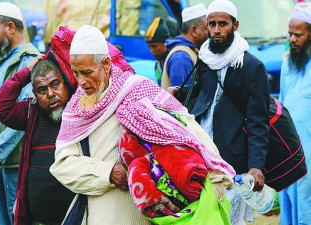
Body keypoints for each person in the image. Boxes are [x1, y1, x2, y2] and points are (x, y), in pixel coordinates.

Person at [50, 25, 235, 225]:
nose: (81, 81)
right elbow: (63, 164)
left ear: (105, 64)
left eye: (87, 72)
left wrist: (216, 182)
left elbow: (189, 132)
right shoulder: (75, 109)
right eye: (76, 73)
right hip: (101, 215)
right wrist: (108, 173)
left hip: (145, 217)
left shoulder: (139, 90)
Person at [175, 0, 270, 224]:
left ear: (235, 26)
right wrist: (178, 93)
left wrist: (256, 166)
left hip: (233, 161)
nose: (217, 30)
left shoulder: (252, 67)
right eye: (212, 24)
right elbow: (202, 95)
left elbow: (259, 121)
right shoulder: (206, 58)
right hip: (203, 155)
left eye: (223, 24)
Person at [0, 57, 77, 225]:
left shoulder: (79, 110)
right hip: (38, 219)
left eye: (55, 85)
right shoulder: (31, 112)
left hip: (76, 217)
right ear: (35, 95)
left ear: (65, 83)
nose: (51, 94)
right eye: (42, 90)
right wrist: (25, 73)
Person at [0, 2, 40, 225]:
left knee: (15, 215)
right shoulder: (7, 58)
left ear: (11, 27)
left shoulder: (28, 60)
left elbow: (26, 111)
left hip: (11, 159)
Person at [278, 3, 311, 225]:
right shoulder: (288, 63)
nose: (292, 39)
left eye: (298, 35)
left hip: (309, 153)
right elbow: (281, 104)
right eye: (290, 34)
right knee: (288, 199)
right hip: (288, 152)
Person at [161, 3, 208, 90]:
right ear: (194, 30)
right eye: (206, 29)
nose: (211, 33)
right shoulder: (182, 57)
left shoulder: (190, 51)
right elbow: (181, 100)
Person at [145, 17, 170, 85]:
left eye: (154, 46)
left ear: (165, 42)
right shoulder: (158, 65)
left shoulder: (175, 61)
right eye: (149, 46)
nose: (151, 50)